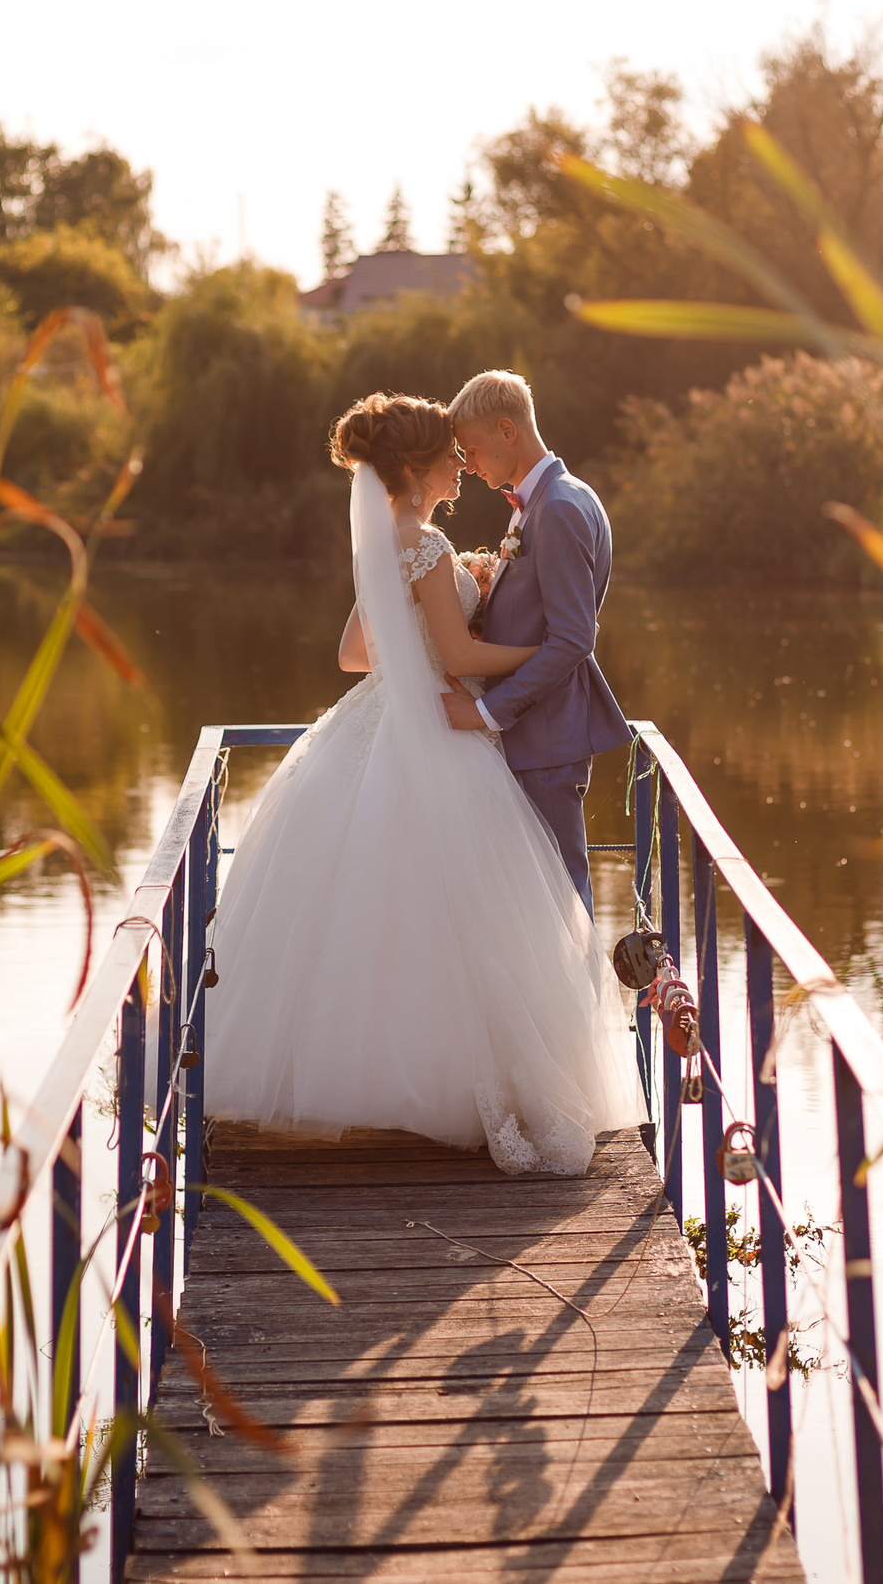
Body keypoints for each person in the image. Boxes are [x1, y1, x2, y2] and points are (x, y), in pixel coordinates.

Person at [201, 393, 643, 1175]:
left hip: (370, 726)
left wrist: (432, 634)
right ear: (415, 468)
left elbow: (352, 653)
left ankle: (354, 1083)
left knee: (365, 907)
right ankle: (459, 1088)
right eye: (449, 452)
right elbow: (465, 661)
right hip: (440, 730)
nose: (461, 463)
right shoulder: (428, 546)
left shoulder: (390, 543)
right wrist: (531, 644)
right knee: (464, 913)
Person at [441, 370, 633, 913]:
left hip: (545, 738)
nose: (470, 465)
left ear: (508, 430)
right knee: (533, 902)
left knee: (561, 899)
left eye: (472, 450)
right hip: (534, 735)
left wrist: (486, 710)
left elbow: (573, 640)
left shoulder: (561, 508)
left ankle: (581, 1002)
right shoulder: (542, 502)